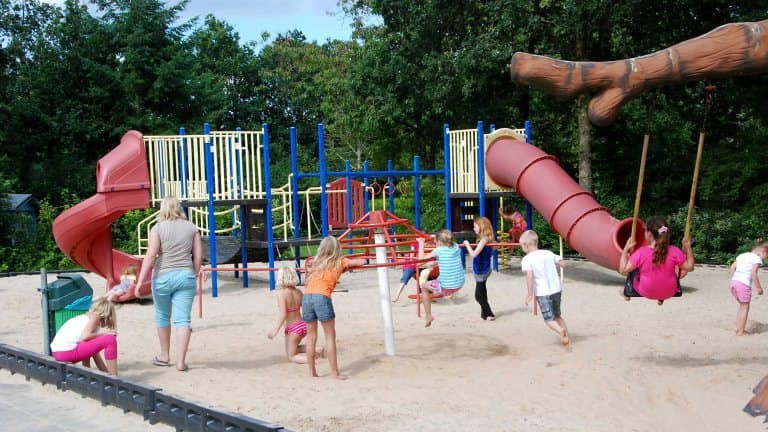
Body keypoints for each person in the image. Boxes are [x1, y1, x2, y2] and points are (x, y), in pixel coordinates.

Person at [135, 195, 203, 372]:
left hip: (162, 276)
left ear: (163, 209)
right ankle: (181, 362)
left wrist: (140, 281)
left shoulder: (157, 228)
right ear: (179, 208)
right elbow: (198, 256)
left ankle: (165, 356)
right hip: (186, 275)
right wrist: (194, 273)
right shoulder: (192, 228)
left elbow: (150, 256)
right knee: (183, 320)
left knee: (162, 315)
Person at [302, 236, 365, 379]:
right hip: (322, 297)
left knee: (311, 337)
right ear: (337, 249)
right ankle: (334, 373)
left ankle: (312, 372)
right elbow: (362, 262)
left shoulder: (316, 264)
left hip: (307, 297)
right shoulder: (340, 261)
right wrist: (352, 264)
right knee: (330, 336)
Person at [619, 216, 695, 305]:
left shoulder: (641, 252)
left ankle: (626, 293)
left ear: (649, 234)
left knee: (635, 269)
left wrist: (625, 250)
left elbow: (623, 270)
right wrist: (688, 247)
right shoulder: (674, 251)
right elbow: (690, 267)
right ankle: (661, 297)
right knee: (670, 269)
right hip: (670, 291)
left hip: (647, 291)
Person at [519, 230, 570, 346]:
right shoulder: (547, 253)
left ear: (526, 245)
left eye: (522, 246)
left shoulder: (527, 259)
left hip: (543, 292)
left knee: (549, 320)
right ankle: (566, 337)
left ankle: (560, 331)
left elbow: (530, 276)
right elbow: (563, 263)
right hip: (557, 289)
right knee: (558, 316)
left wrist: (530, 294)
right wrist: (554, 264)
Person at [267, 266, 324, 363]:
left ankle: (311, 361)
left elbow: (283, 314)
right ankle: (317, 349)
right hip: (303, 324)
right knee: (292, 349)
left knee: (291, 356)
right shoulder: (298, 292)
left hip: (293, 328)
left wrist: (274, 331)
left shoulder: (282, 295)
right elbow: (305, 308)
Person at [50, 296, 118, 375]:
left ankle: (88, 373)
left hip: (58, 353)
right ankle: (114, 378)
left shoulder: (85, 318)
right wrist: (105, 334)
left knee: (91, 344)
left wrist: (105, 373)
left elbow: (92, 352)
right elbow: (86, 336)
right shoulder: (96, 317)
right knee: (110, 339)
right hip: (67, 353)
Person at [419, 229, 465, 328]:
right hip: (459, 284)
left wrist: (421, 243)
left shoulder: (438, 251)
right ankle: (439, 292)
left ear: (439, 242)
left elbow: (420, 260)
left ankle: (428, 316)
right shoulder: (455, 246)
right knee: (434, 264)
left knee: (423, 287)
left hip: (447, 287)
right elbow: (446, 252)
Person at [729, 240, 768, 335]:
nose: (764, 259)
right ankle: (741, 331)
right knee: (745, 307)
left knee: (742, 306)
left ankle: (738, 328)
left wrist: (737, 277)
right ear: (762, 252)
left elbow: (732, 267)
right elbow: (753, 273)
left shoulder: (742, 256)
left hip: (734, 283)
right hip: (743, 284)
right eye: (766, 256)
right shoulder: (756, 259)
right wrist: (759, 287)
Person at [463, 216, 496, 321]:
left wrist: (467, 244)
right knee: (482, 292)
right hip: (482, 269)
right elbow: (495, 247)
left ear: (481, 227)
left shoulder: (484, 239)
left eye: (475, 226)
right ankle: (485, 314)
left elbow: (473, 254)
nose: (474, 228)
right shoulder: (486, 239)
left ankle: (490, 313)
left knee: (478, 296)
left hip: (482, 270)